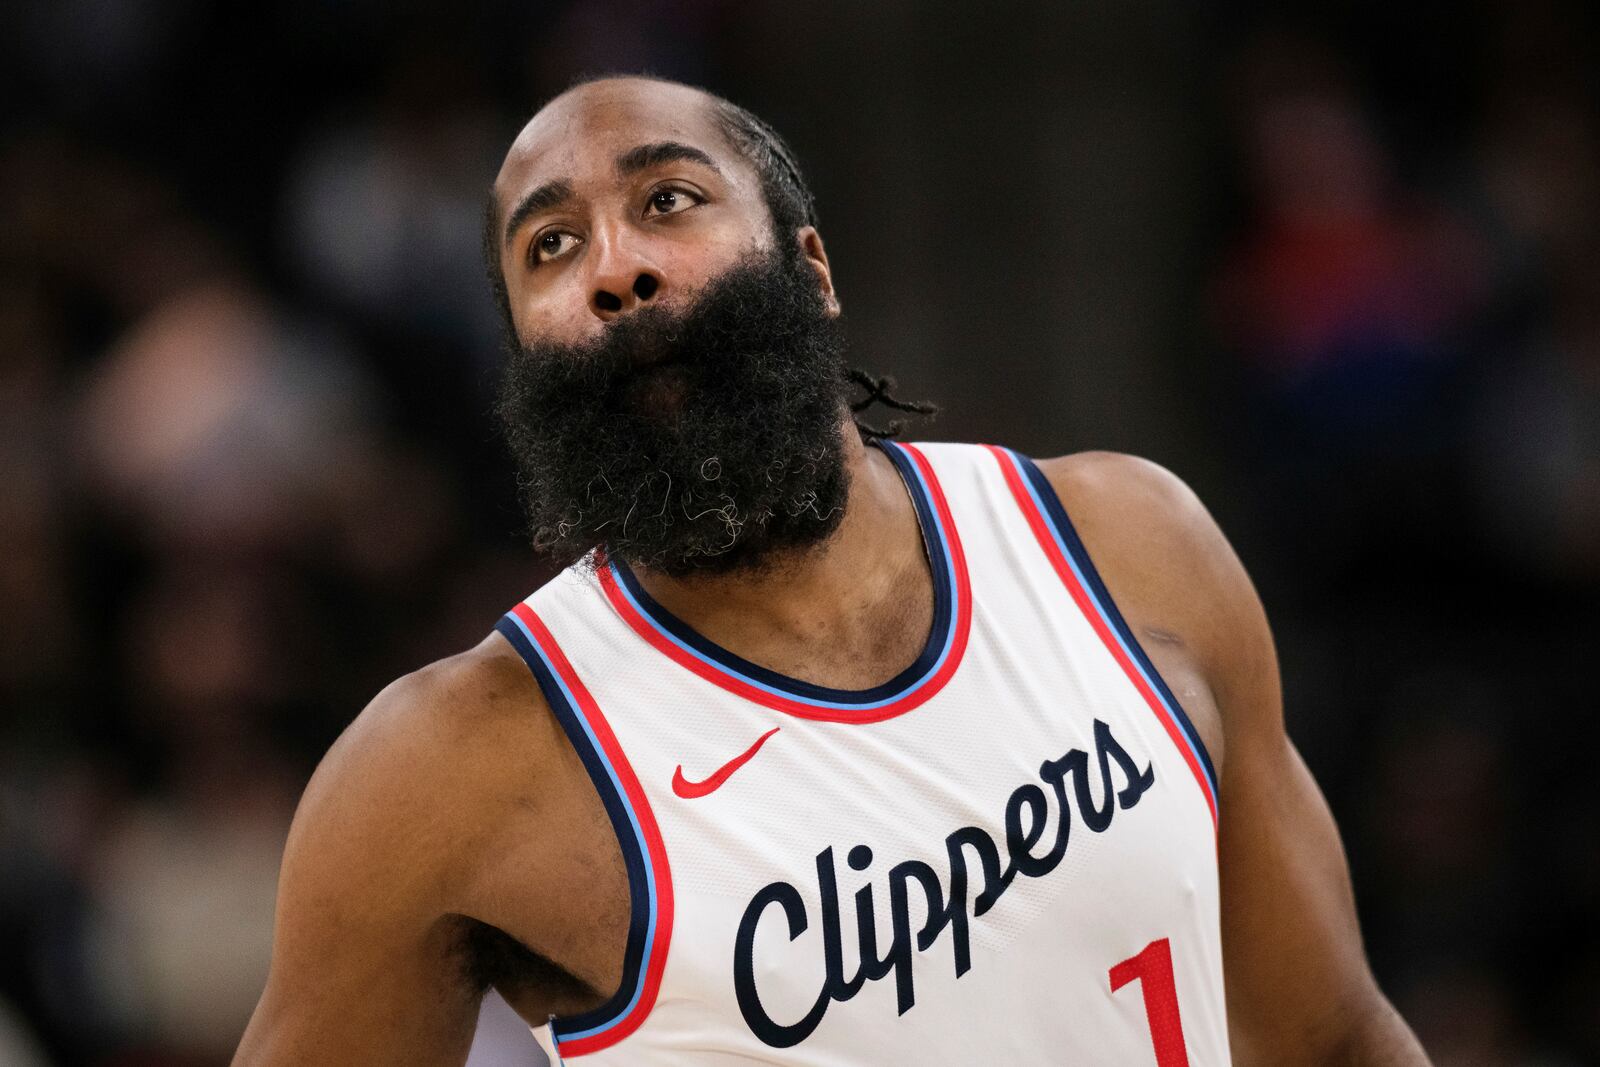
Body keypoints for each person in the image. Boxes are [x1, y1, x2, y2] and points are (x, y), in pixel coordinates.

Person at [233, 75, 1430, 1065]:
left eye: (669, 197)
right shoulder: (445, 771)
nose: (614, 266)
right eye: (551, 246)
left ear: (810, 270)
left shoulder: (1130, 542)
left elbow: (1331, 1037)